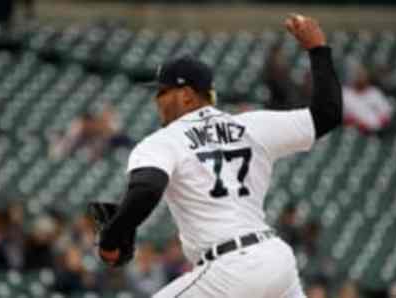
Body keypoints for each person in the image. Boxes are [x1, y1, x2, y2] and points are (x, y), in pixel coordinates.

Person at [97, 13, 342, 297]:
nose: (157, 100)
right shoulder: (251, 125)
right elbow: (328, 114)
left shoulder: (164, 141)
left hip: (229, 270)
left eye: (163, 92)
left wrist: (111, 238)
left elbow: (147, 187)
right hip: (276, 261)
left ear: (187, 95)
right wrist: (318, 50)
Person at [342, 61, 394, 133]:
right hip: (350, 130)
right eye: (358, 76)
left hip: (372, 132)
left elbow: (385, 118)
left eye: (362, 76)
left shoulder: (375, 93)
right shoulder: (345, 93)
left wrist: (369, 125)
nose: (360, 78)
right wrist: (355, 122)